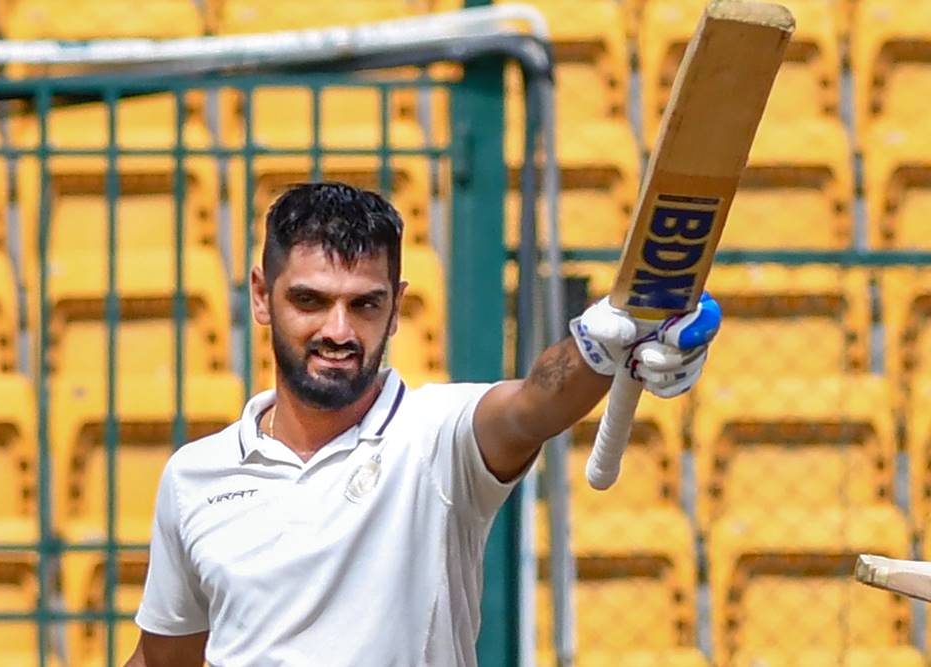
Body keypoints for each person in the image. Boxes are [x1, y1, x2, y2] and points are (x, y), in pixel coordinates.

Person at [124, 182, 720, 666]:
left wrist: (602, 345)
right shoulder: (196, 477)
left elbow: (533, 406)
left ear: (396, 306)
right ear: (261, 296)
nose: (338, 331)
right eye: (310, 301)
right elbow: (163, 658)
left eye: (365, 304)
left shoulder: (435, 437)